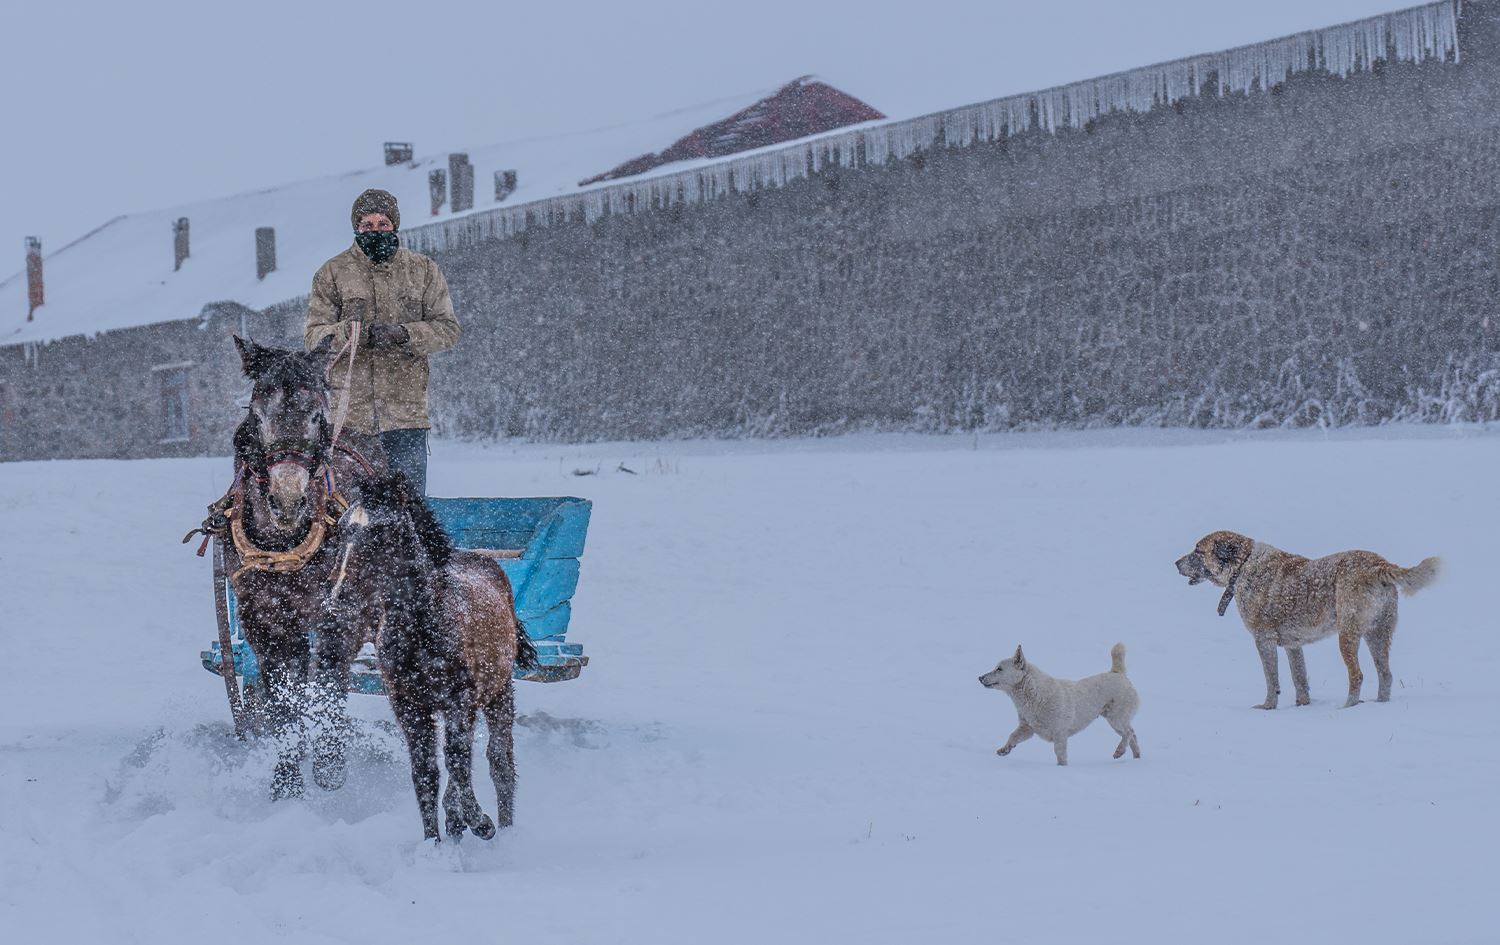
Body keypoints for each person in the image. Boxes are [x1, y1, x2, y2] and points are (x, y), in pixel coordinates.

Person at [305, 189, 459, 495]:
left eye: (383, 223)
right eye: (367, 224)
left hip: (405, 418)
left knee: (409, 512)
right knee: (346, 512)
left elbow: (448, 329)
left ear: (395, 225)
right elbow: (313, 336)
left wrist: (404, 334)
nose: (375, 230)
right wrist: (348, 333)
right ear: (356, 227)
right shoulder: (332, 274)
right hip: (350, 422)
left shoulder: (423, 270)